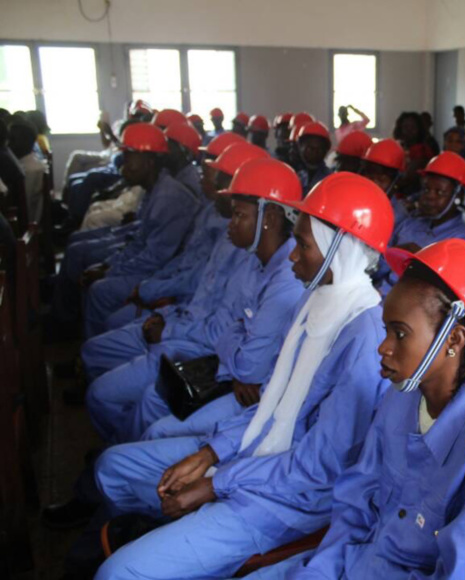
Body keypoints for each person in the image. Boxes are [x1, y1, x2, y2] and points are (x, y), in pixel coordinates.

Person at [92, 173, 394, 580]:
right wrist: (210, 454)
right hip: (256, 463)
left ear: (338, 250)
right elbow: (269, 405)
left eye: (303, 245)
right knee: (113, 469)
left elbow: (317, 468)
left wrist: (217, 484)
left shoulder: (361, 336)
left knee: (117, 574)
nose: (292, 256)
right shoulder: (320, 301)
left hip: (287, 502)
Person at [282, 238, 465, 579]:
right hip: (367, 559)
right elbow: (356, 504)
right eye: (386, 329)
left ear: (454, 340)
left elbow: (463, 571)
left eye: (400, 334)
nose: (383, 347)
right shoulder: (400, 396)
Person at [84, 153, 298, 444]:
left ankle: (125, 455)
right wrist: (236, 343)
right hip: (214, 353)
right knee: (147, 398)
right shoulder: (253, 258)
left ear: (269, 219)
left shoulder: (285, 276)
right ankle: (124, 449)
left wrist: (235, 347)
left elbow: (243, 356)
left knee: (148, 414)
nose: (231, 224)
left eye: (239, 215)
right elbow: (233, 328)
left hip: (232, 376)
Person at [49, 124, 198, 333]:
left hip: (162, 271)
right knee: (91, 269)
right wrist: (108, 266)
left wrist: (110, 272)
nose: (123, 166)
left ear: (149, 161)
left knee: (100, 290)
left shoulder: (169, 197)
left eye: (129, 159)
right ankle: (75, 329)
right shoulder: (154, 189)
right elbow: (139, 240)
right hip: (151, 264)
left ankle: (92, 345)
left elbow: (155, 258)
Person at [373, 152, 465, 294]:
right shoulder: (410, 223)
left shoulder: (463, 240)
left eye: (439, 192)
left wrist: (422, 260)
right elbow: (377, 266)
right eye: (427, 189)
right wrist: (393, 254)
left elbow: (445, 291)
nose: (429, 197)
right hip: (375, 294)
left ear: (458, 196)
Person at [359, 138, 410, 227]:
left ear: (395, 181)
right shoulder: (356, 202)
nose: (373, 183)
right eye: (370, 176)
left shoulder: (398, 217)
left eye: (381, 179)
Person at [8, 118, 47, 223]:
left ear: (27, 141)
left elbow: (25, 207)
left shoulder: (29, 170)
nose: (8, 144)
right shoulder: (32, 161)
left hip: (28, 225)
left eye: (12, 139)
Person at [295, 121, 333, 195]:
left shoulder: (331, 180)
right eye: (310, 148)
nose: (315, 153)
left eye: (319, 149)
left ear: (326, 150)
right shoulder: (295, 176)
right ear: (300, 147)